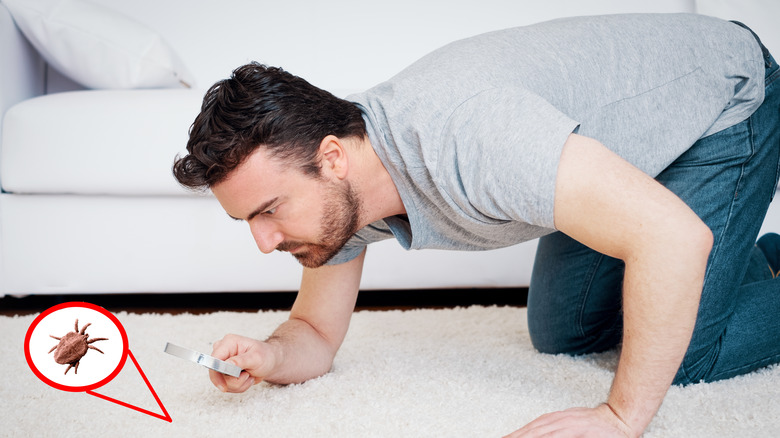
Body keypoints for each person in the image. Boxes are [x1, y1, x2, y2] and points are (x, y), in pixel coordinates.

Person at [172, 13, 780, 437]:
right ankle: (757, 259)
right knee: (565, 333)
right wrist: (270, 356)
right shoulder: (339, 200)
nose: (263, 241)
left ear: (331, 158)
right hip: (619, 143)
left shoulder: (471, 138)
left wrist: (620, 418)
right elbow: (315, 332)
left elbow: (674, 236)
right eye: (246, 221)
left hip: (722, 99)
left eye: (267, 211)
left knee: (691, 355)